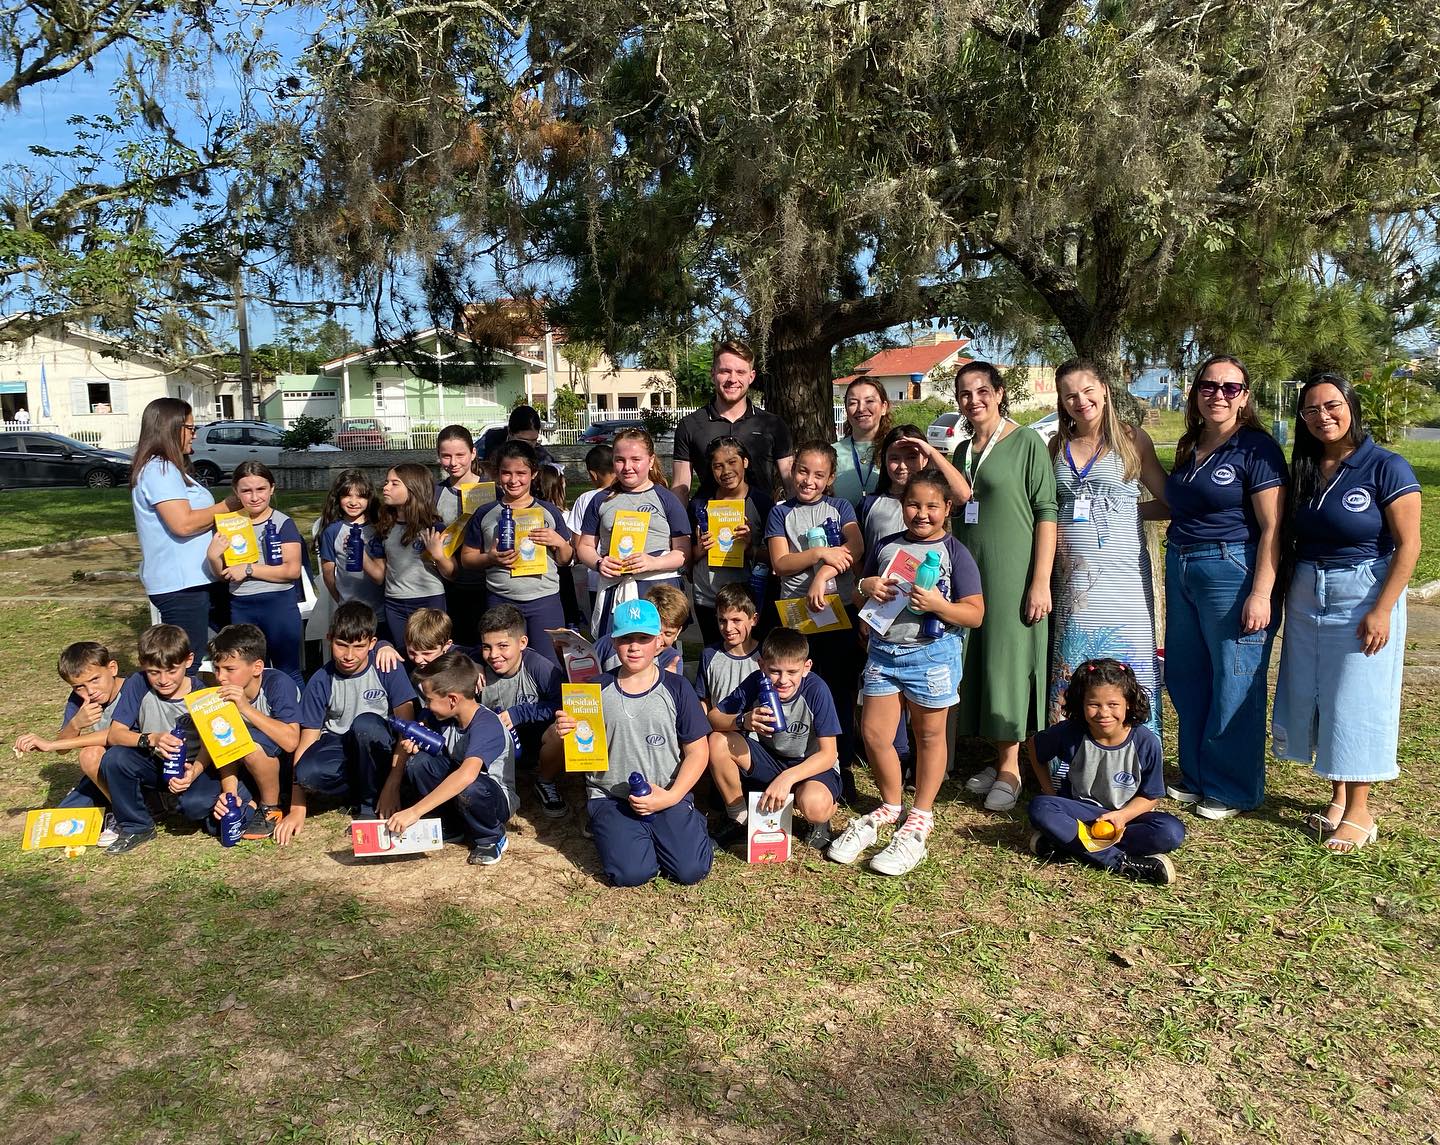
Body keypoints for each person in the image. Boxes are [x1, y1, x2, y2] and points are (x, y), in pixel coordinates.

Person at [1271, 373, 1421, 853]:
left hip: (1363, 590)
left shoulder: (1386, 466)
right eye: (1311, 410)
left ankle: (1360, 811)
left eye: (1332, 405)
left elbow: (1409, 545)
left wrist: (1382, 609)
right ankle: (1338, 797)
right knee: (1321, 691)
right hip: (1307, 589)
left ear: (1351, 405)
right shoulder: (1306, 467)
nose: (1323, 416)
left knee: (1357, 697)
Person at [833, 469, 985, 875]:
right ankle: (890, 804)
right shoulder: (887, 545)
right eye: (913, 504)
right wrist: (865, 587)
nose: (922, 513)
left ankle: (921, 815)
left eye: (932, 506)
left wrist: (938, 606)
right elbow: (859, 592)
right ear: (902, 506)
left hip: (932, 656)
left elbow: (975, 614)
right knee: (874, 734)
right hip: (884, 653)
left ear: (947, 508)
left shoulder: (955, 552)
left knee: (929, 735)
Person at [1163, 355, 1286, 820]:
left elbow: (1273, 527)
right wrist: (1113, 509)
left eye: (1230, 388)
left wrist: (1261, 593)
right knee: (1187, 674)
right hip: (1181, 563)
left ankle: (1232, 788)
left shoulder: (1256, 448)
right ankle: (1197, 775)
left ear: (1244, 397)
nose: (1218, 394)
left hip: (1231, 567)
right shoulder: (1190, 444)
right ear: (1196, 392)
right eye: (1209, 386)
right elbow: (1179, 506)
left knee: (1235, 679)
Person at [538, 599, 714, 887]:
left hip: (665, 790)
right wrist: (562, 732)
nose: (634, 647)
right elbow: (571, 746)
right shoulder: (593, 689)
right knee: (632, 874)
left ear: (659, 641)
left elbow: (697, 751)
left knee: (690, 870)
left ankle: (685, 825)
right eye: (625, 639)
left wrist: (671, 797)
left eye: (643, 638)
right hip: (612, 796)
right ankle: (615, 828)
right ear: (613, 642)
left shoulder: (677, 687)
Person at [949, 362, 1057, 813]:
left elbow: (1047, 512)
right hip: (971, 572)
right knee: (980, 659)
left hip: (1013, 572)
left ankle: (1013, 767)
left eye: (981, 391)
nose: (973, 400)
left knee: (1008, 662)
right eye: (964, 394)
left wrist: (1040, 581)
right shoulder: (961, 451)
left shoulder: (1027, 442)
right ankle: (998, 758)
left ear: (999, 392)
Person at [1046, 360, 1169, 741]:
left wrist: (1127, 511)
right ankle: (1071, 758)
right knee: (1076, 665)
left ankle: (1135, 754)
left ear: (1104, 390)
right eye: (1070, 395)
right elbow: (1048, 508)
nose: (1080, 401)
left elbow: (1170, 501)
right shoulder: (1057, 445)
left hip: (1123, 581)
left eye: (1087, 391)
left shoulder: (1133, 440)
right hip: (1074, 585)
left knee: (1127, 667)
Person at [1024, 659, 1185, 885]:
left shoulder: (1146, 742)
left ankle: (1063, 844)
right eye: (1094, 704)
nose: (1104, 713)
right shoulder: (1070, 733)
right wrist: (1049, 790)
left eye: (1113, 704)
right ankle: (1121, 863)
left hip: (1125, 820)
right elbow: (1034, 746)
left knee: (1170, 831)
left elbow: (1150, 796)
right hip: (1080, 816)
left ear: (1128, 703)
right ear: (1080, 703)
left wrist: (1122, 816)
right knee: (1041, 807)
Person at [765, 440, 865, 800]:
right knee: (797, 686)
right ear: (793, 471)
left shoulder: (841, 508)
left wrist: (823, 575)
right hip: (796, 615)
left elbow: (855, 549)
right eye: (803, 471)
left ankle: (841, 764)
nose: (809, 480)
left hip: (838, 611)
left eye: (818, 475)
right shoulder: (780, 512)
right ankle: (796, 758)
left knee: (839, 689)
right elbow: (781, 563)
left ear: (830, 478)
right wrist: (821, 553)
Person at [275, 602, 419, 845]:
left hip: (380, 747)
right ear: (329, 639)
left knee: (365, 725)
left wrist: (393, 785)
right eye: (341, 645)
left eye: (359, 646)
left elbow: (407, 729)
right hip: (342, 745)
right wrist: (297, 807)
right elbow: (307, 740)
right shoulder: (321, 679)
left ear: (372, 643)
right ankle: (355, 791)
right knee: (307, 772)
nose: (349, 655)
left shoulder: (387, 667)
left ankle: (369, 805)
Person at [708, 628, 843, 850]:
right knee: (718, 741)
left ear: (807, 667)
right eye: (774, 671)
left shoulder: (816, 690)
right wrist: (742, 720)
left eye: (792, 672)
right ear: (761, 665)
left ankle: (824, 813)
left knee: (815, 807)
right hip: (771, 759)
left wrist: (787, 778)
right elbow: (713, 718)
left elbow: (829, 754)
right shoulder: (756, 682)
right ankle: (739, 817)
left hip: (810, 765)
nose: (783, 680)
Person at [379, 651, 516, 867]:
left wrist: (414, 812)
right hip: (461, 791)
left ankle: (491, 837)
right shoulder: (443, 717)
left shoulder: (486, 725)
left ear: (452, 699)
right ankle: (451, 825)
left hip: (492, 798)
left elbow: (467, 775)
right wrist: (415, 748)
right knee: (419, 763)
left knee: (470, 786)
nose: (426, 706)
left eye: (429, 700)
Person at [129, 398, 238, 664]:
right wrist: (228, 505)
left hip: (197, 581)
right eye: (190, 428)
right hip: (182, 586)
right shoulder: (159, 470)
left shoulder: (170, 469)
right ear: (171, 428)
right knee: (188, 662)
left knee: (224, 651)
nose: (195, 434)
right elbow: (183, 524)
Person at [176, 624, 301, 842]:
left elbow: (291, 741)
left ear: (257, 667)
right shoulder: (217, 693)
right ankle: (250, 799)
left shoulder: (278, 684)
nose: (221, 677)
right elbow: (221, 747)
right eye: (216, 668)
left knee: (250, 742)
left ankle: (270, 807)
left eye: (229, 669)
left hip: (279, 766)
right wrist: (229, 791)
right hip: (239, 766)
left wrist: (245, 708)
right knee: (197, 809)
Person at [459, 439, 574, 664]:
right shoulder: (486, 513)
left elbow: (566, 559)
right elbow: (466, 559)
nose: (513, 480)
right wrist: (489, 558)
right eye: (506, 473)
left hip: (544, 600)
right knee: (502, 663)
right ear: (497, 474)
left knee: (549, 664)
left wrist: (560, 543)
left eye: (521, 473)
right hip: (501, 599)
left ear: (533, 474)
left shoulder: (549, 511)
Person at [97, 624, 203, 855]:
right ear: (142, 664)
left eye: (172, 671)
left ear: (188, 660)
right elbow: (115, 734)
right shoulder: (138, 683)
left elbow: (213, 745)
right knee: (115, 758)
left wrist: (193, 772)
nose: (163, 680)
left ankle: (171, 800)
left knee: (195, 809)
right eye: (154, 672)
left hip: (192, 769)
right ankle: (136, 826)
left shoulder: (202, 693)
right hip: (154, 763)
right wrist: (151, 739)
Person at [576, 427, 691, 636]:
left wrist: (653, 562)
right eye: (620, 460)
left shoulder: (667, 499)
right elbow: (584, 546)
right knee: (615, 649)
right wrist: (599, 563)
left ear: (651, 460)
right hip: (615, 587)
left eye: (636, 459)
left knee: (656, 650)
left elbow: (683, 552)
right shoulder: (600, 499)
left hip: (658, 590)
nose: (627, 467)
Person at [14, 641, 127, 843]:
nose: (89, 691)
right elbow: (63, 751)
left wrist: (50, 745)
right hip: (108, 770)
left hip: (136, 762)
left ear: (112, 668)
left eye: (95, 680)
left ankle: (125, 813)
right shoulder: (79, 699)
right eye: (79, 687)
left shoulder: (132, 689)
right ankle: (117, 803)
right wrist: (76, 724)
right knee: (64, 818)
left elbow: (116, 735)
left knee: (90, 753)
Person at [205, 462, 305, 689]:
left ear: (272, 488)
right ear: (236, 491)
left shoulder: (283, 523)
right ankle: (254, 711)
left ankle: (296, 712)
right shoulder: (228, 524)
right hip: (242, 604)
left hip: (279, 604)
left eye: (261, 489)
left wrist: (250, 569)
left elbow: (292, 570)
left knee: (287, 669)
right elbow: (223, 575)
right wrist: (213, 556)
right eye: (246, 490)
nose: (254, 497)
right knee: (248, 672)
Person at [671, 340, 794, 500]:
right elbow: (680, 489)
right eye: (725, 371)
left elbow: (791, 485)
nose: (732, 379)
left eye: (740, 372)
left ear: (751, 376)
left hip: (761, 515)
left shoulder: (773, 425)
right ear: (713, 374)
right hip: (707, 515)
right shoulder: (690, 425)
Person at [471, 604, 562, 817]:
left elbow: (563, 704)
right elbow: (449, 649)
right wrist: (471, 661)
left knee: (563, 730)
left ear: (522, 643)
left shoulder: (540, 667)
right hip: (494, 745)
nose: (494, 655)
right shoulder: (476, 664)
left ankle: (545, 781)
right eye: (487, 647)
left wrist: (519, 714)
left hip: (534, 743)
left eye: (503, 646)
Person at [688, 436, 774, 646]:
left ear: (745, 462)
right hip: (707, 598)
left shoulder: (762, 503)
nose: (726, 471)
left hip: (749, 599)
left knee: (751, 654)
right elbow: (686, 559)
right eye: (718, 466)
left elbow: (776, 558)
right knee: (713, 653)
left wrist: (750, 549)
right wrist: (700, 550)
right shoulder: (699, 504)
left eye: (732, 462)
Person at [363, 463, 452, 657]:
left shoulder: (434, 527)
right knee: (404, 655)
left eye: (394, 483)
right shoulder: (385, 526)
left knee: (430, 657)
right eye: (386, 482)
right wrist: (359, 553)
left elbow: (451, 573)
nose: (386, 487)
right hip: (395, 603)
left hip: (429, 600)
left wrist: (438, 555)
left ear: (414, 489)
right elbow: (379, 576)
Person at [857, 425, 970, 554]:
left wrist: (932, 452)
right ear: (885, 460)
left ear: (925, 459)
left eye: (911, 457)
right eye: (894, 458)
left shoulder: (938, 498)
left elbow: (962, 495)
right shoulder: (869, 503)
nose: (902, 466)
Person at [434, 424, 489, 645]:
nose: (453, 462)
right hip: (448, 587)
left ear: (473, 453)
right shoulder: (434, 493)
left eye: (460, 455)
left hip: (488, 585)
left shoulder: (493, 491)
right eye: (446, 456)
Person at [315, 469, 385, 616]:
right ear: (338, 497)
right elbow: (328, 574)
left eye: (360, 496)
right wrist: (341, 602)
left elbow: (380, 575)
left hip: (380, 612)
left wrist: (359, 550)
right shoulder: (332, 531)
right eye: (347, 495)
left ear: (369, 498)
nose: (353, 502)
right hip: (349, 613)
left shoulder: (379, 528)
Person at [566, 444, 616, 631]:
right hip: (629, 572)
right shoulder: (629, 495)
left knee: (602, 629)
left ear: (593, 474)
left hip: (596, 576)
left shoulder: (585, 499)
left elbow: (577, 543)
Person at [694, 583, 762, 714]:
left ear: (754, 619)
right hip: (718, 725)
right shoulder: (709, 654)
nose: (728, 628)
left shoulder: (766, 654)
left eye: (736, 620)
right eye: (722, 621)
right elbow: (703, 699)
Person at [832, 378, 893, 506]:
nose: (861, 408)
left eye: (869, 401)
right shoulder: (831, 453)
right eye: (853, 403)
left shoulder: (896, 450)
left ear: (884, 407)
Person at [479, 405, 562, 472]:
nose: (530, 446)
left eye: (534, 440)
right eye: (524, 441)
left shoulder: (543, 458)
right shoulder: (488, 441)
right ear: (510, 432)